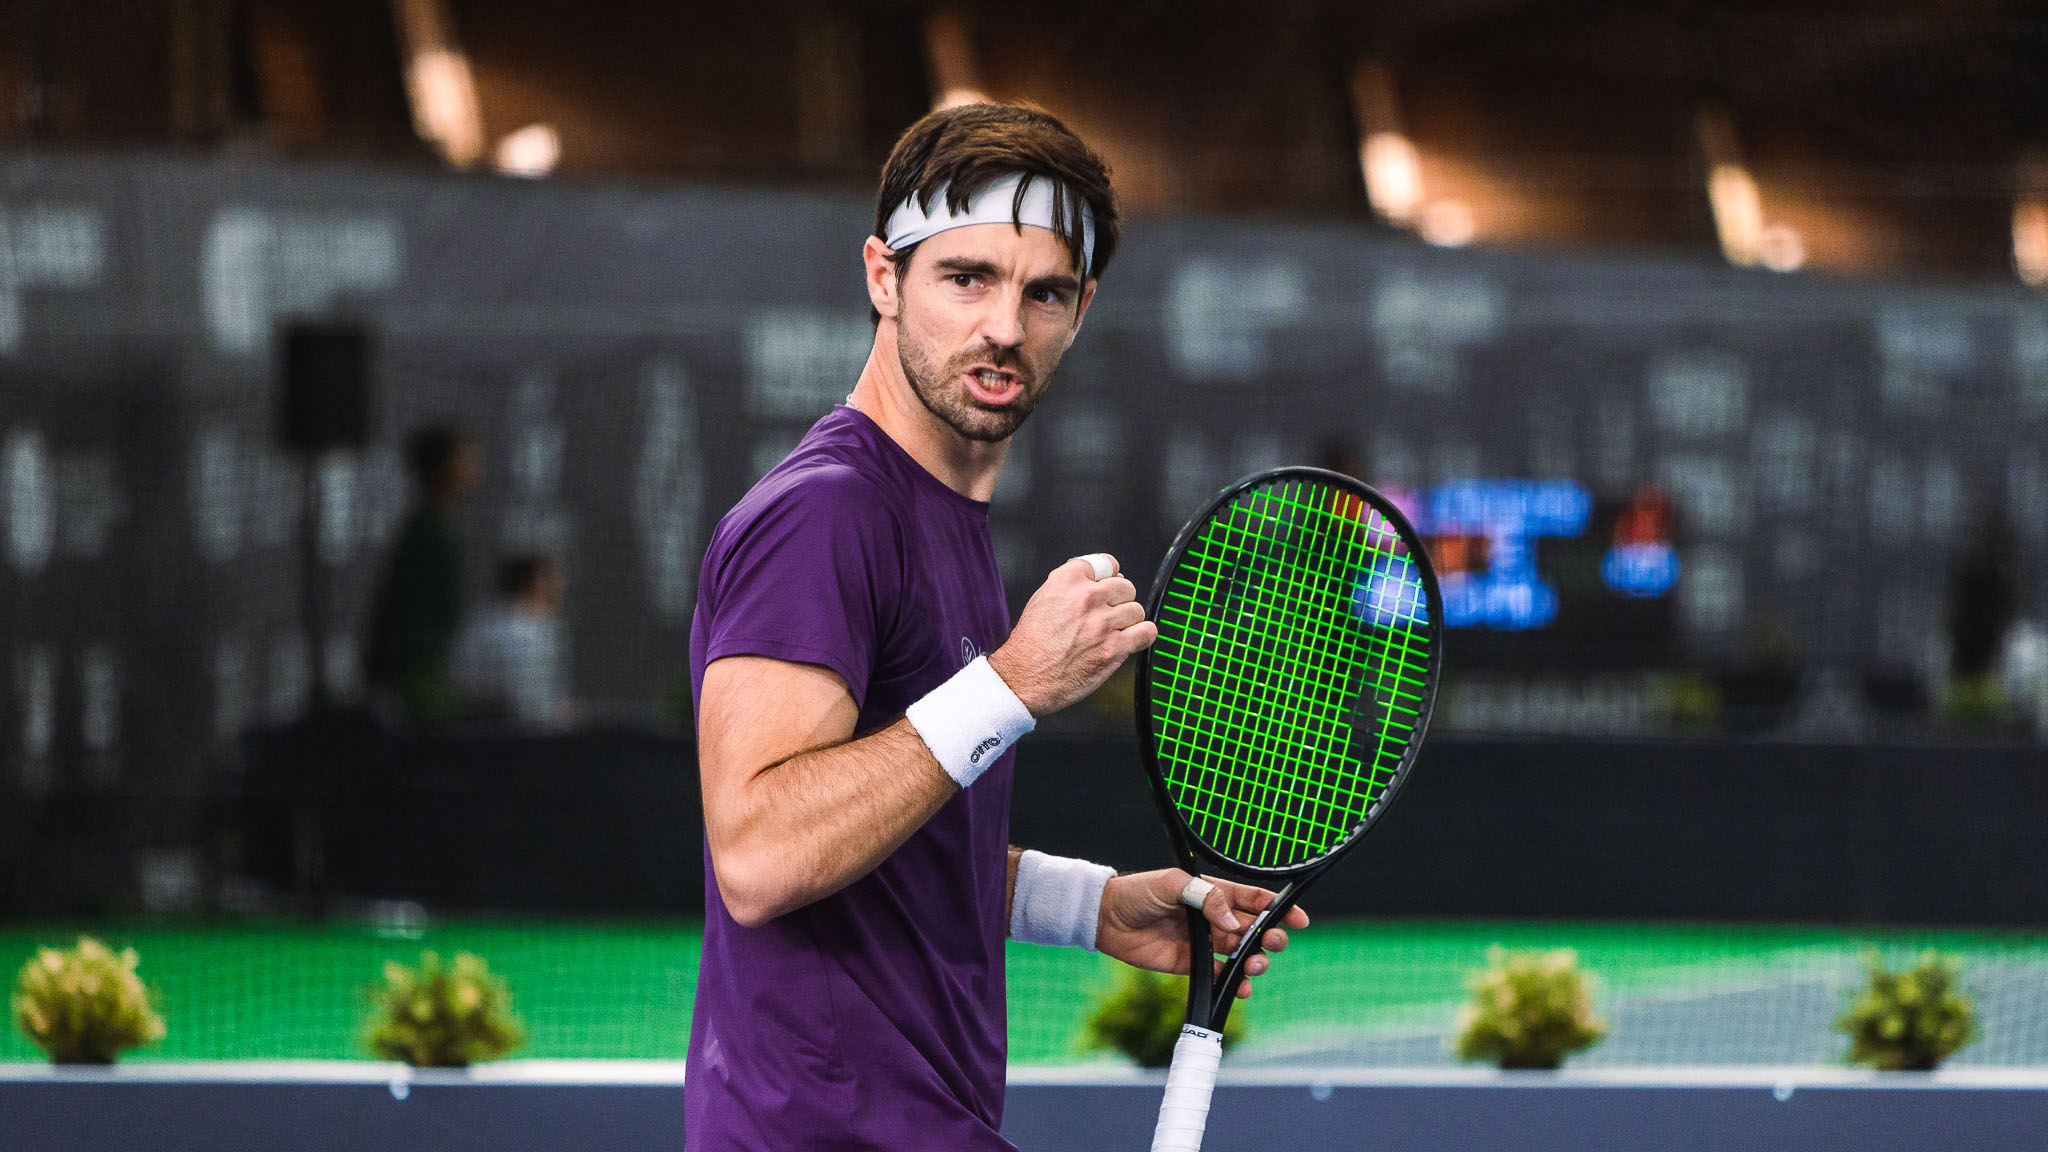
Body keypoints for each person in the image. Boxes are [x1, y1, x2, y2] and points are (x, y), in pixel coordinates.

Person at [687, 102, 1310, 1149]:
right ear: (884, 278)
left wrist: (1091, 906)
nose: (1004, 328)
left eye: (1044, 292)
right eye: (964, 277)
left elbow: (896, 840)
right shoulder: (825, 512)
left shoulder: (940, 512)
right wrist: (1013, 683)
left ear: (1082, 307)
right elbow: (758, 853)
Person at [363, 426, 479, 724]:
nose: (474, 468)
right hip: (415, 679)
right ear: (443, 467)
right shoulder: (429, 531)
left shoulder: (431, 526)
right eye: (464, 459)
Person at [451, 554, 572, 729]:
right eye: (554, 580)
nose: (561, 588)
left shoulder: (478, 623)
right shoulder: (531, 633)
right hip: (522, 735)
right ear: (537, 583)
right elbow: (535, 704)